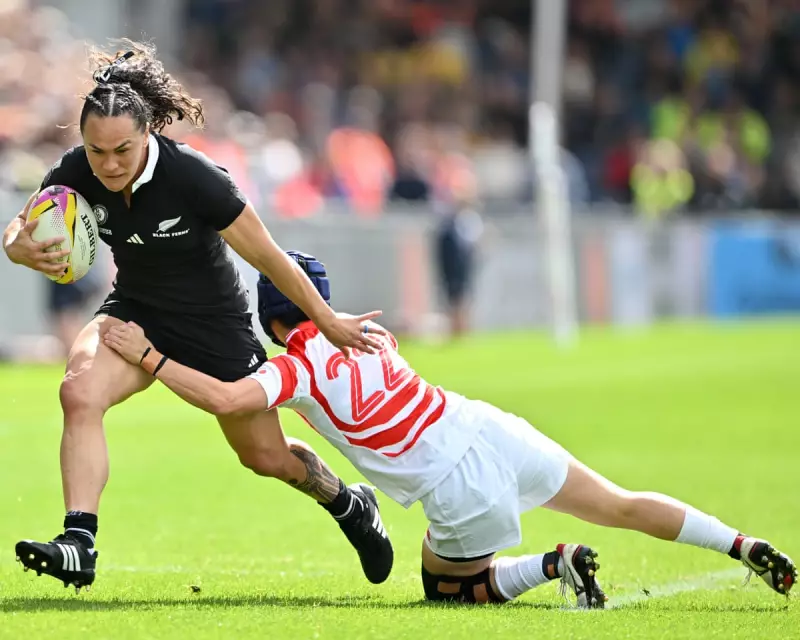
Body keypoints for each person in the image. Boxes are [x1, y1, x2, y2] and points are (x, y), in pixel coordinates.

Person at [103, 250, 796, 607]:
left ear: (272, 324)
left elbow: (229, 400)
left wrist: (151, 356)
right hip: (490, 427)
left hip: (458, 483)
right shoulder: (375, 336)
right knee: (619, 502)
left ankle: (554, 565)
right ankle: (739, 542)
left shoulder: (298, 368)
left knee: (446, 589)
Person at [3, 41, 393, 592]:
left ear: (148, 136)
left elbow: (268, 257)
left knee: (264, 456)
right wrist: (16, 247)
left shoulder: (196, 177)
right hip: (134, 311)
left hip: (215, 323)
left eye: (123, 150)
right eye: (97, 152)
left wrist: (326, 319)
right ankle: (79, 542)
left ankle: (349, 502)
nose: (109, 164)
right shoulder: (76, 170)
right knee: (78, 392)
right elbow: (21, 227)